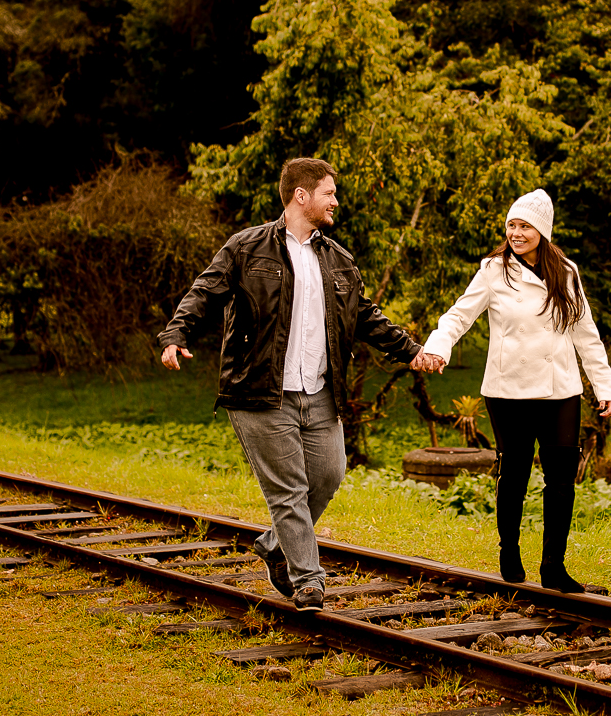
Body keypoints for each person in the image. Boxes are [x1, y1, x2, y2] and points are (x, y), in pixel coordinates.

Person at [158, 158, 440, 612]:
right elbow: (204, 292)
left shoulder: (338, 259)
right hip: (260, 392)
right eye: (329, 193)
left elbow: (365, 316)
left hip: (319, 393)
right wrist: (176, 334)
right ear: (301, 196)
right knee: (287, 490)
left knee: (327, 477)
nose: (336, 201)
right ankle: (308, 580)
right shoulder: (246, 248)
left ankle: (274, 545)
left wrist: (411, 350)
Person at [419, 189, 611, 594]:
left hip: (559, 390)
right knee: (515, 474)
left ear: (542, 230)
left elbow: (586, 335)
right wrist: (438, 346)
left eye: (525, 225)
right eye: (512, 225)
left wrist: (604, 384)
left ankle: (554, 568)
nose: (516, 232)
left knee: (562, 479)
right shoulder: (494, 270)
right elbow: (459, 315)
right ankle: (510, 552)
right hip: (508, 391)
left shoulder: (566, 271)